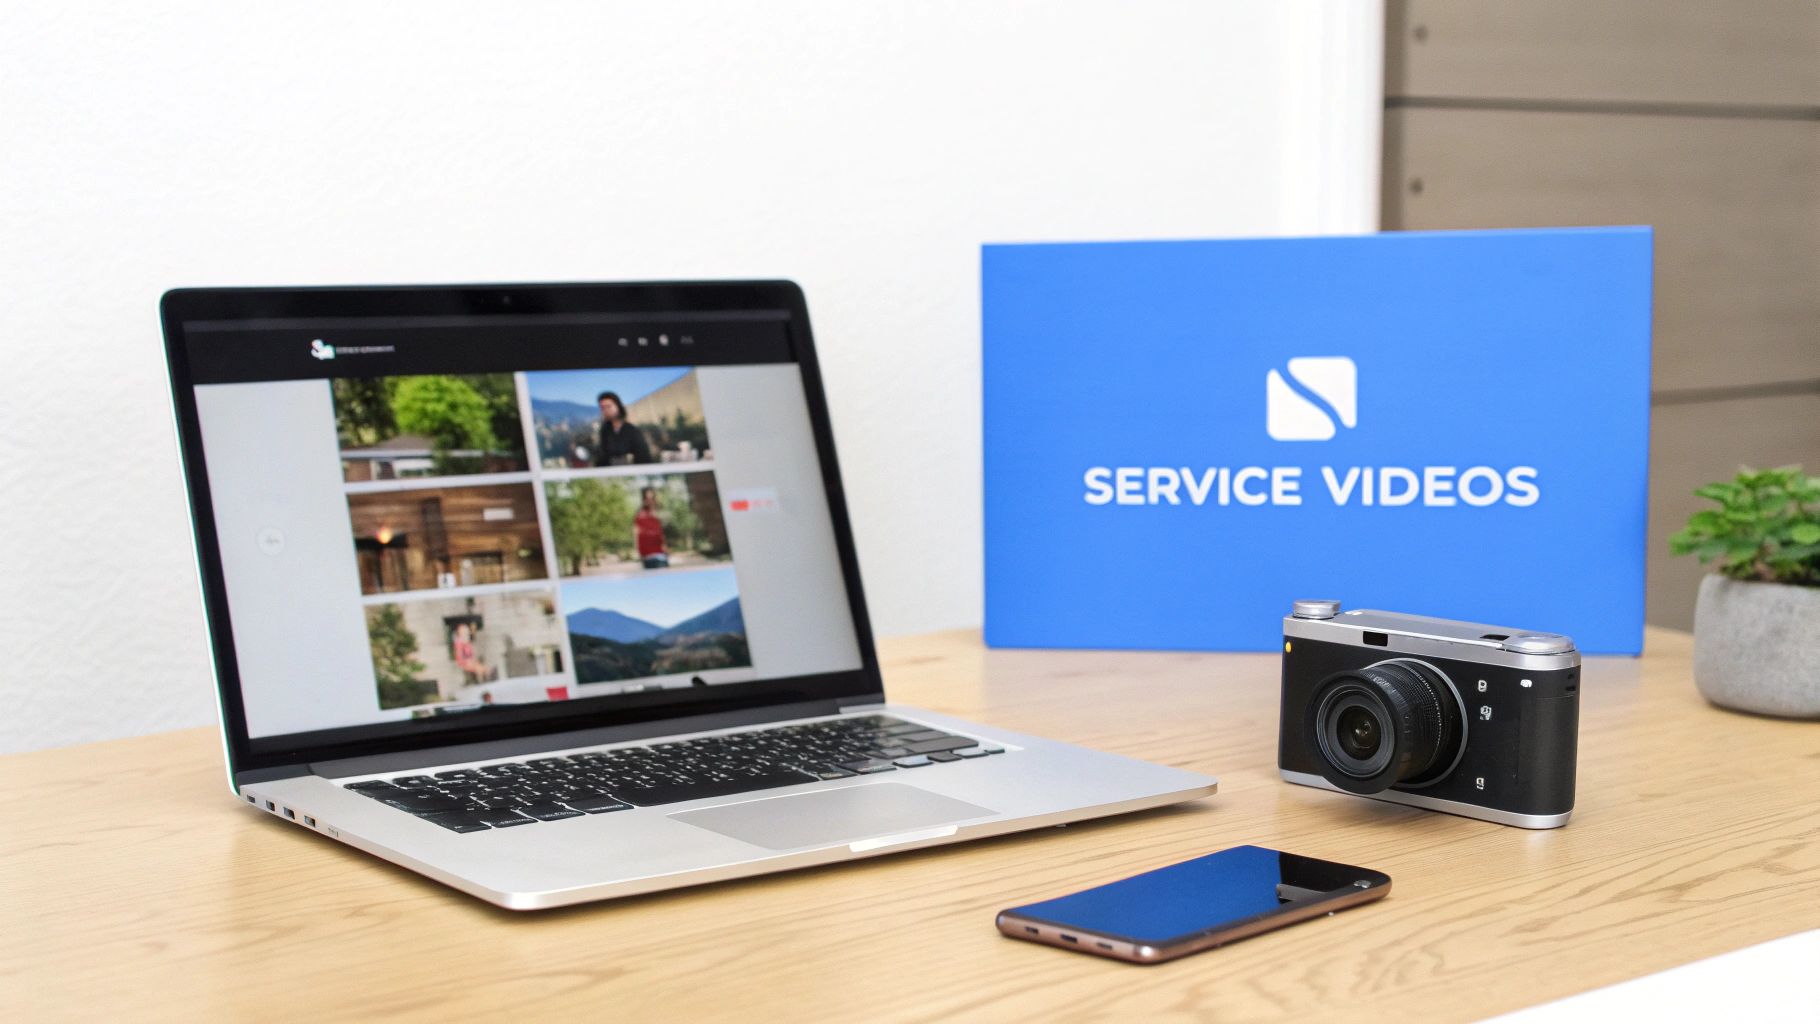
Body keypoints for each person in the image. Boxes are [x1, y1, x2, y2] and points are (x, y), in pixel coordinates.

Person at [593, 391, 653, 466]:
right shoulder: (605, 431)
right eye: (602, 408)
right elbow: (602, 458)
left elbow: (643, 457)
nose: (606, 410)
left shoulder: (632, 431)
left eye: (609, 406)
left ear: (618, 406)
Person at [635, 486, 669, 569]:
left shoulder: (659, 510)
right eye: (647, 494)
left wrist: (664, 545)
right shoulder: (640, 512)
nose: (649, 497)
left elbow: (662, 529)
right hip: (646, 552)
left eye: (651, 494)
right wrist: (637, 548)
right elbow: (636, 531)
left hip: (658, 551)